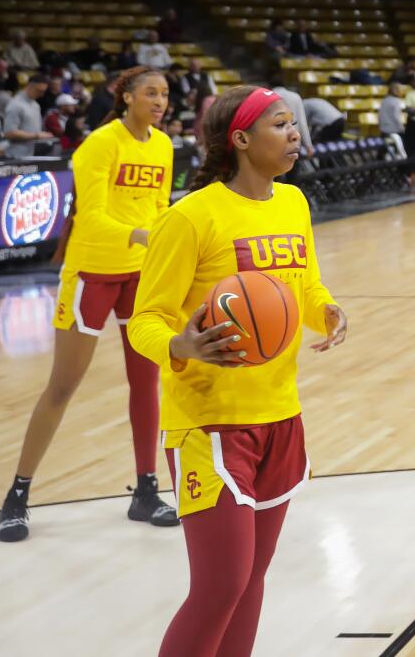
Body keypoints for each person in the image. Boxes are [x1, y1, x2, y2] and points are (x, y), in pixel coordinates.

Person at [125, 86, 348, 657]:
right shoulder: (191, 217)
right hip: (209, 425)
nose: (295, 131)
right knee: (220, 585)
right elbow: (144, 320)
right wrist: (183, 345)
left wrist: (326, 309)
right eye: (281, 123)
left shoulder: (293, 203)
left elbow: (306, 281)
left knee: (250, 584)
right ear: (242, 140)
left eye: (294, 122)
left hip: (280, 415)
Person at [0, 68, 178, 542]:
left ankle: (146, 490)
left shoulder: (162, 145)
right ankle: (17, 494)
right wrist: (140, 234)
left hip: (139, 275)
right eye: (151, 93)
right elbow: (92, 218)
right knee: (63, 386)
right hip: (91, 274)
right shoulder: (100, 143)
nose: (159, 101)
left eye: (164, 94)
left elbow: (159, 208)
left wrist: (167, 242)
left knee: (147, 384)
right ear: (127, 98)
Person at [2, 74, 52, 159]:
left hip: (31, 154)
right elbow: (9, 133)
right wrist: (37, 135)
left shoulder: (35, 105)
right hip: (16, 156)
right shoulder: (15, 105)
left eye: (43, 91)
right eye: (39, 91)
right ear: (30, 86)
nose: (42, 95)